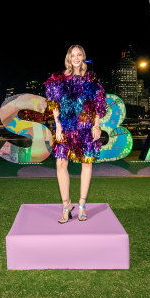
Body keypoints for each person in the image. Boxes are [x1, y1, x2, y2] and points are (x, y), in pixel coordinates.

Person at [44, 45, 107, 223]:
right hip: (66, 127)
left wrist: (97, 126)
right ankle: (66, 205)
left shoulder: (91, 80)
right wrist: (58, 126)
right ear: (68, 58)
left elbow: (97, 105)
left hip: (86, 126)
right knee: (60, 163)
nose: (77, 58)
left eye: (80, 55)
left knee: (86, 164)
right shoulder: (59, 79)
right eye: (73, 55)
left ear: (83, 57)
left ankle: (82, 205)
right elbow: (54, 104)